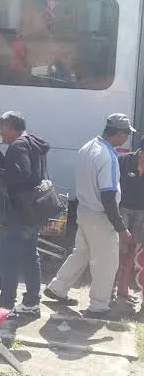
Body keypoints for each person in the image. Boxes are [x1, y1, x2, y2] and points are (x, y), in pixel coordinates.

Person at [45, 113, 135, 321]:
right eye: (126, 133)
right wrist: (121, 228)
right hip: (101, 215)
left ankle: (57, 287)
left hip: (84, 209)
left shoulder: (88, 146)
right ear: (119, 133)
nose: (127, 138)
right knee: (106, 263)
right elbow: (108, 195)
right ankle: (99, 306)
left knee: (82, 252)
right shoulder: (108, 155)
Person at [0, 111, 50, 318]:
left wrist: (3, 179)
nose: (1, 134)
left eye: (2, 129)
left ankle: (5, 303)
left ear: (11, 127)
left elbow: (23, 175)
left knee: (9, 257)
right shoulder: (33, 142)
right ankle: (32, 302)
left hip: (18, 211)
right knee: (30, 255)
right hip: (33, 210)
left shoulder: (17, 146)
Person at [114, 141, 144, 304]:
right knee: (119, 249)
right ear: (141, 152)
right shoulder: (124, 160)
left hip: (141, 212)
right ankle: (110, 287)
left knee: (133, 250)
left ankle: (124, 289)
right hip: (123, 208)